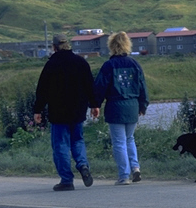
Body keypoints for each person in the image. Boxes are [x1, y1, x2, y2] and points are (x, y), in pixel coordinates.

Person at [34, 34, 100, 191]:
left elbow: (42, 90)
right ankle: (83, 165)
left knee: (61, 144)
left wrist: (38, 110)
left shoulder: (51, 64)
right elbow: (90, 85)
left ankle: (66, 180)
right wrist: (94, 105)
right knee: (78, 140)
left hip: (58, 111)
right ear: (68, 45)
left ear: (54, 47)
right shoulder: (81, 62)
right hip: (78, 110)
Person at [94, 31, 149, 185]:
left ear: (111, 46)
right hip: (132, 106)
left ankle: (123, 175)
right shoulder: (135, 64)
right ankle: (135, 168)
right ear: (127, 45)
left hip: (115, 106)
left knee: (119, 142)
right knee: (130, 139)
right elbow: (143, 86)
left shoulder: (108, 65)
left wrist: (95, 105)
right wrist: (143, 105)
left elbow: (99, 87)